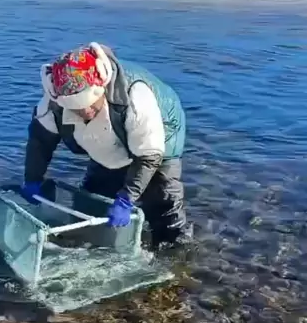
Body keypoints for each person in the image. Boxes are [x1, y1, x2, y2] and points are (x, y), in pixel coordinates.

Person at [21, 41, 191, 248]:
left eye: (89, 105)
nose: (85, 112)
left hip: (161, 132)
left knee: (164, 203)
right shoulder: (54, 101)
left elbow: (149, 156)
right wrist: (33, 178)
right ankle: (88, 241)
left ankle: (175, 253)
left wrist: (126, 199)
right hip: (105, 137)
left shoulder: (136, 97)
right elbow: (40, 141)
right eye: (77, 109)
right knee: (93, 200)